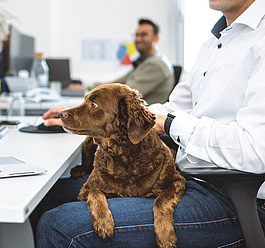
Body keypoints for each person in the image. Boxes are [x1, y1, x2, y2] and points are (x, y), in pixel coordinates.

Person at [31, 0, 265, 247]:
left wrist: (171, 124)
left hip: (235, 198)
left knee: (58, 225)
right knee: (43, 197)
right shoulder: (213, 45)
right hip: (187, 178)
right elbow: (171, 109)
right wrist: (82, 118)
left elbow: (256, 149)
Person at [67, 18, 174, 105]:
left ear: (156, 39)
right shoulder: (145, 61)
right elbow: (115, 83)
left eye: (143, 35)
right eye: (136, 35)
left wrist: (90, 93)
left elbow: (124, 93)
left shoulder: (156, 65)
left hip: (142, 123)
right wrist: (86, 88)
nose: (138, 39)